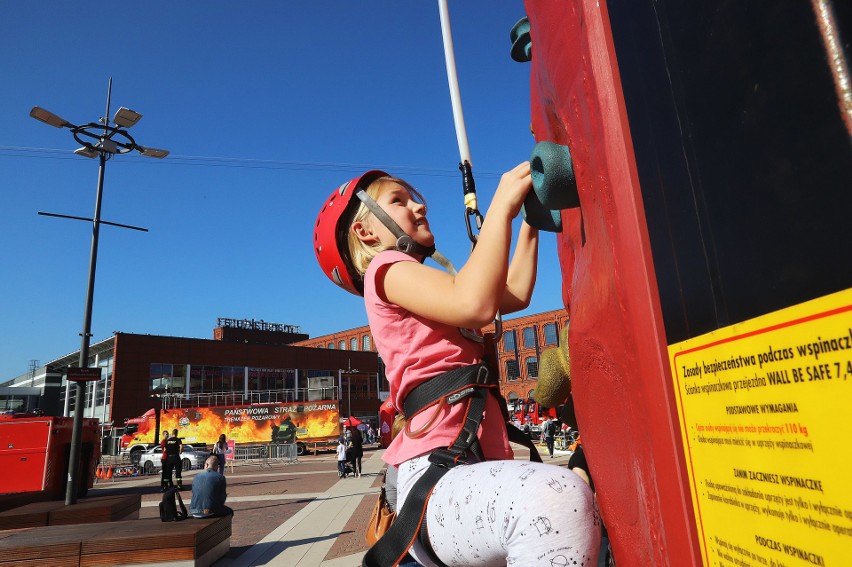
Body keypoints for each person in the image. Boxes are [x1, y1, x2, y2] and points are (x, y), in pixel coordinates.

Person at [314, 165, 600, 566]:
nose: (419, 204)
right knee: (555, 500)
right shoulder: (385, 270)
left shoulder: (423, 284)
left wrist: (529, 224)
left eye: (414, 197)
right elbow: (474, 303)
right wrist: (502, 203)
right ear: (366, 231)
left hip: (470, 467)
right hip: (438, 476)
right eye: (399, 200)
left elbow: (514, 293)